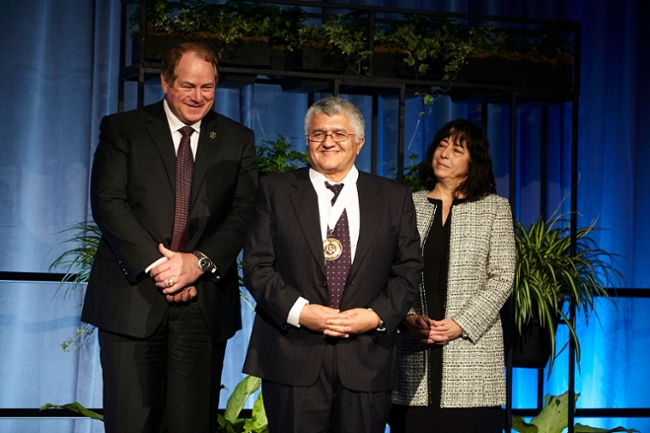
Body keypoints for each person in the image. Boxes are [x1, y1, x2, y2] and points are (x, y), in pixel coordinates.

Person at [81, 42, 257, 433]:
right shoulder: (122, 129)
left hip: (203, 305)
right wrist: (164, 267)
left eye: (208, 88)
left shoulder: (236, 138)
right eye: (188, 86)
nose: (198, 97)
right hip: (133, 298)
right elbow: (108, 203)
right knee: (130, 423)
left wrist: (198, 264)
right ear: (165, 81)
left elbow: (244, 212)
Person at [242, 96, 423, 433]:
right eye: (317, 134)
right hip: (292, 354)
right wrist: (300, 311)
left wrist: (375, 315)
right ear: (307, 139)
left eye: (339, 134)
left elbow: (408, 269)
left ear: (359, 143)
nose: (328, 142)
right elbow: (257, 266)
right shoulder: (275, 190)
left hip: (366, 356)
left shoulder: (393, 197)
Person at [390, 119, 515, 432]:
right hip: (413, 350)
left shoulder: (494, 209)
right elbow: (387, 272)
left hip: (472, 356)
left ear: (473, 162)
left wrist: (461, 324)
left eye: (456, 149)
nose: (443, 154)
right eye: (441, 146)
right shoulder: (407, 204)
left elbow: (502, 278)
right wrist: (407, 318)